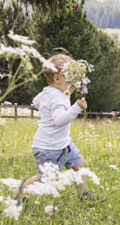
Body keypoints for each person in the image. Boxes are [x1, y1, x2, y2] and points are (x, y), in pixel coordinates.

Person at [22, 54, 101, 202]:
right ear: (57, 78)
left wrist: (46, 108)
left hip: (64, 142)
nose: (74, 82)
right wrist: (76, 107)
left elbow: (35, 101)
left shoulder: (50, 91)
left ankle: (85, 196)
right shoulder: (57, 98)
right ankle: (20, 196)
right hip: (50, 148)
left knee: (78, 164)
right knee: (43, 181)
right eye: (71, 78)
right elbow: (59, 120)